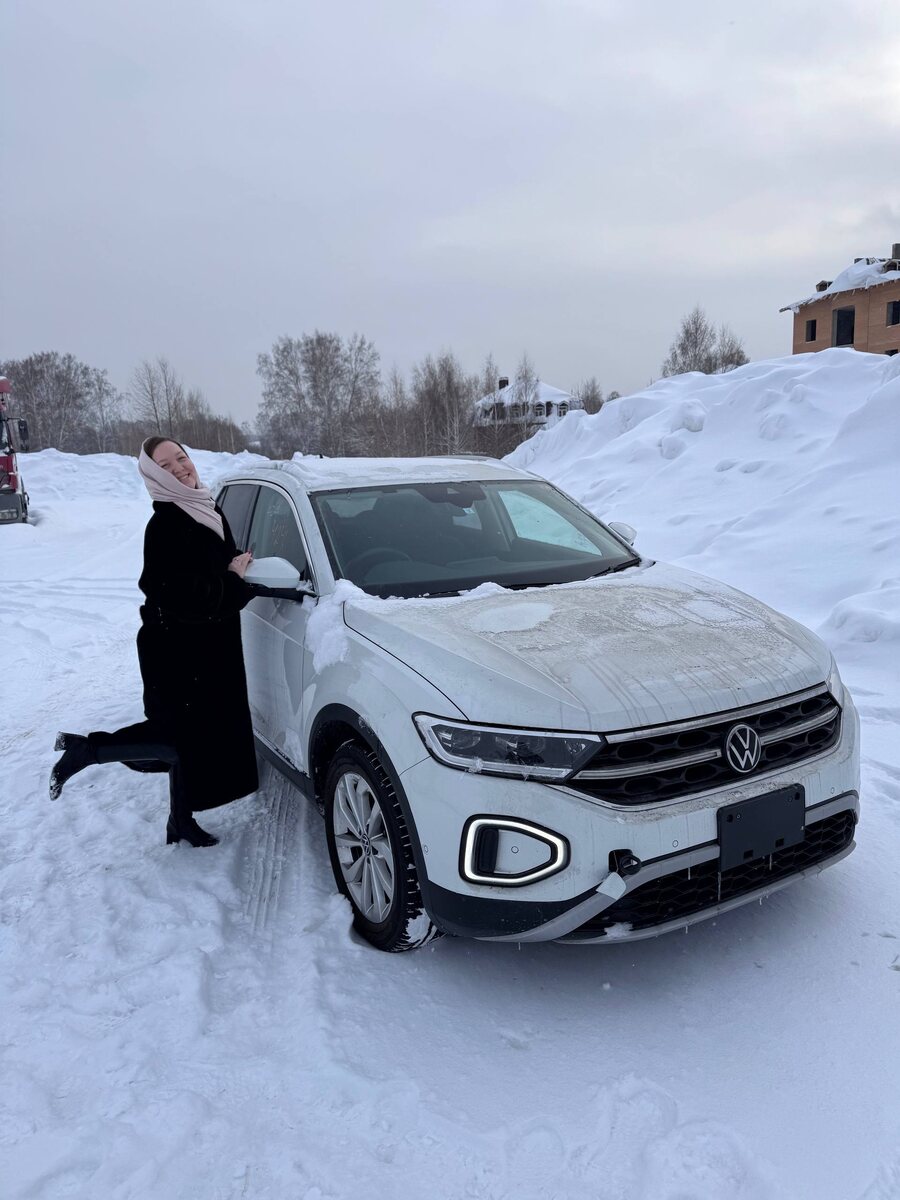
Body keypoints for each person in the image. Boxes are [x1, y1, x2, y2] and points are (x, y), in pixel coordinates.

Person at [49, 437, 259, 847]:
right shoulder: (164, 525)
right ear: (153, 476)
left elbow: (213, 563)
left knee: (189, 739)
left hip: (207, 647)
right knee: (175, 738)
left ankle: (180, 821)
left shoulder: (203, 505)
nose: (179, 468)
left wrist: (237, 566)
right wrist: (234, 580)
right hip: (177, 652)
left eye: (181, 458)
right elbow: (185, 595)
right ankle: (87, 751)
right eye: (165, 465)